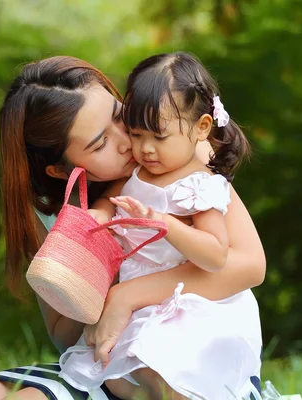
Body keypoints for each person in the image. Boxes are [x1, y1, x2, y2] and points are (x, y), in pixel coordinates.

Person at [0, 55, 266, 400]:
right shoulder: (55, 217)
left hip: (194, 357)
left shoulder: (184, 161)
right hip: (111, 356)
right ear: (59, 171)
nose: (130, 141)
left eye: (121, 117)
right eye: (100, 144)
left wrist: (127, 295)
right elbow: (63, 334)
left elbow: (249, 267)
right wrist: (93, 271)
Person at [58, 52, 262, 400]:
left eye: (158, 137)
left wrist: (168, 224)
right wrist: (102, 215)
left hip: (194, 306)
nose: (145, 149)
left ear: (201, 128)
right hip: (147, 306)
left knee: (168, 369)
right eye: (136, 134)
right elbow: (111, 200)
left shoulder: (201, 185)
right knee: (121, 371)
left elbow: (215, 255)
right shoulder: (139, 173)